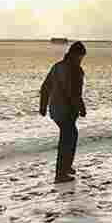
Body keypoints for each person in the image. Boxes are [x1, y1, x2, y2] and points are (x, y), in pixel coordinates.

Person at [39, 41, 87, 183]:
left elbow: (45, 87)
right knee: (68, 138)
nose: (81, 59)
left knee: (70, 136)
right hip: (66, 110)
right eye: (80, 57)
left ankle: (66, 167)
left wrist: (43, 107)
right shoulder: (74, 70)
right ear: (75, 55)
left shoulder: (57, 66)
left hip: (56, 109)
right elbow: (74, 93)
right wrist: (82, 108)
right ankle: (61, 173)